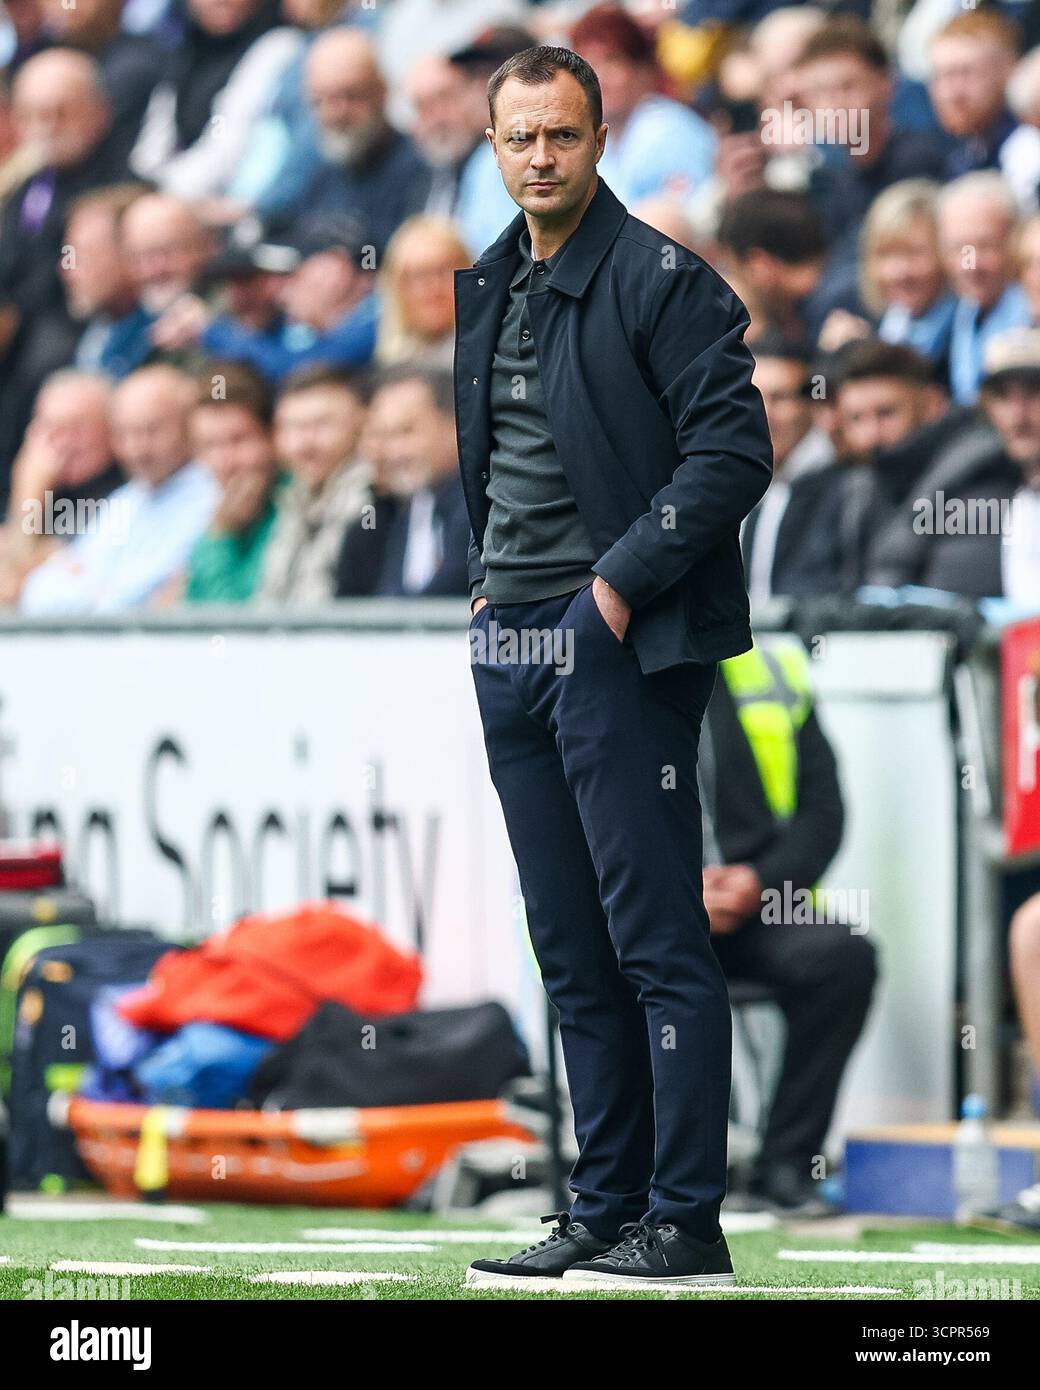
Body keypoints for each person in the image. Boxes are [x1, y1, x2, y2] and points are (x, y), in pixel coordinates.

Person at [461, 45, 771, 1289]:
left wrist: (611, 589)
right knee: (567, 947)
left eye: (563, 136)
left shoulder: (664, 280)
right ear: (492, 148)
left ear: (599, 141)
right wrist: (490, 597)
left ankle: (683, 1222)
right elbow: (491, 461)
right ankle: (602, 1206)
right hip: (512, 641)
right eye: (519, 137)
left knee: (653, 943)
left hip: (613, 642)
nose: (541, 156)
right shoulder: (485, 280)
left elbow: (731, 456)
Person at [703, 636, 878, 1215]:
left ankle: (786, 1164)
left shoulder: (768, 671)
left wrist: (761, 881)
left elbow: (824, 814)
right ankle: (649, 1170)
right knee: (638, 968)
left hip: (757, 905)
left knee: (843, 957)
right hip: (643, 910)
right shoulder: (594, 662)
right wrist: (673, 892)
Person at [18, 363, 217, 613]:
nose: (137, 449)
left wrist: (84, 585)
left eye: (151, 430)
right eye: (125, 433)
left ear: (189, 425)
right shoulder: (127, 499)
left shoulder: (210, 495)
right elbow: (36, 592)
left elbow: (130, 603)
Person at [866, 327, 1040, 599]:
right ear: (987, 407)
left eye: (1033, 393)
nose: (1018, 416)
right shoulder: (975, 481)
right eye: (1003, 396)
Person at [335, 365, 468, 596]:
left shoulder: (486, 505)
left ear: (455, 425)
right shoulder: (402, 510)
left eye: (405, 432)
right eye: (383, 435)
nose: (393, 452)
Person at [256, 364, 370, 603]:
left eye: (321, 425)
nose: (303, 444)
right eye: (291, 427)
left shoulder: (373, 500)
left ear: (361, 423)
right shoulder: (290, 497)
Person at [742, 333, 837, 604]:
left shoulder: (846, 489)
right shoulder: (726, 487)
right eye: (753, 396)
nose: (765, 412)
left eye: (780, 398)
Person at [182, 361, 286, 603]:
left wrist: (221, 535)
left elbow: (235, 624)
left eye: (238, 440)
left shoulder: (294, 509)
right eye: (209, 445)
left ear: (272, 437)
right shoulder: (216, 511)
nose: (225, 462)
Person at [939, 172, 1032, 405]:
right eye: (959, 248)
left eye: (986, 246)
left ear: (1017, 242)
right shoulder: (962, 311)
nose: (970, 265)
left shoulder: (1033, 314)